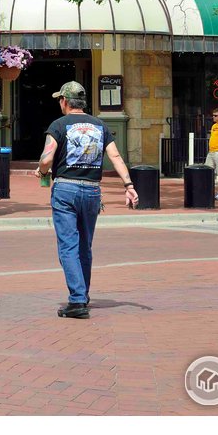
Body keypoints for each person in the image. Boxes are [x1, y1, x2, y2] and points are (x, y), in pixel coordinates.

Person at [32, 81, 138, 319]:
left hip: (65, 189)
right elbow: (115, 156)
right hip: (92, 191)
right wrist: (129, 185)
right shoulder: (100, 125)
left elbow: (46, 159)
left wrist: (42, 170)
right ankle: (83, 294)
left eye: (60, 100)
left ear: (65, 102)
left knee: (68, 246)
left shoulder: (58, 125)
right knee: (84, 246)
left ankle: (77, 299)